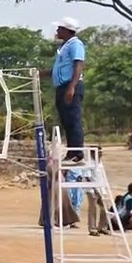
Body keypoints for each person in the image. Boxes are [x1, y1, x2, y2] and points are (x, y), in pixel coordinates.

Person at [42, 18, 86, 163]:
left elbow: (78, 64)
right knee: (66, 120)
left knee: (73, 119)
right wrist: (42, 73)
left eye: (60, 28)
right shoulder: (63, 47)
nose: (57, 31)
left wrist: (71, 87)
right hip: (62, 86)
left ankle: (77, 152)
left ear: (67, 30)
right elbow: (59, 69)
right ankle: (71, 151)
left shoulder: (75, 44)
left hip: (70, 85)